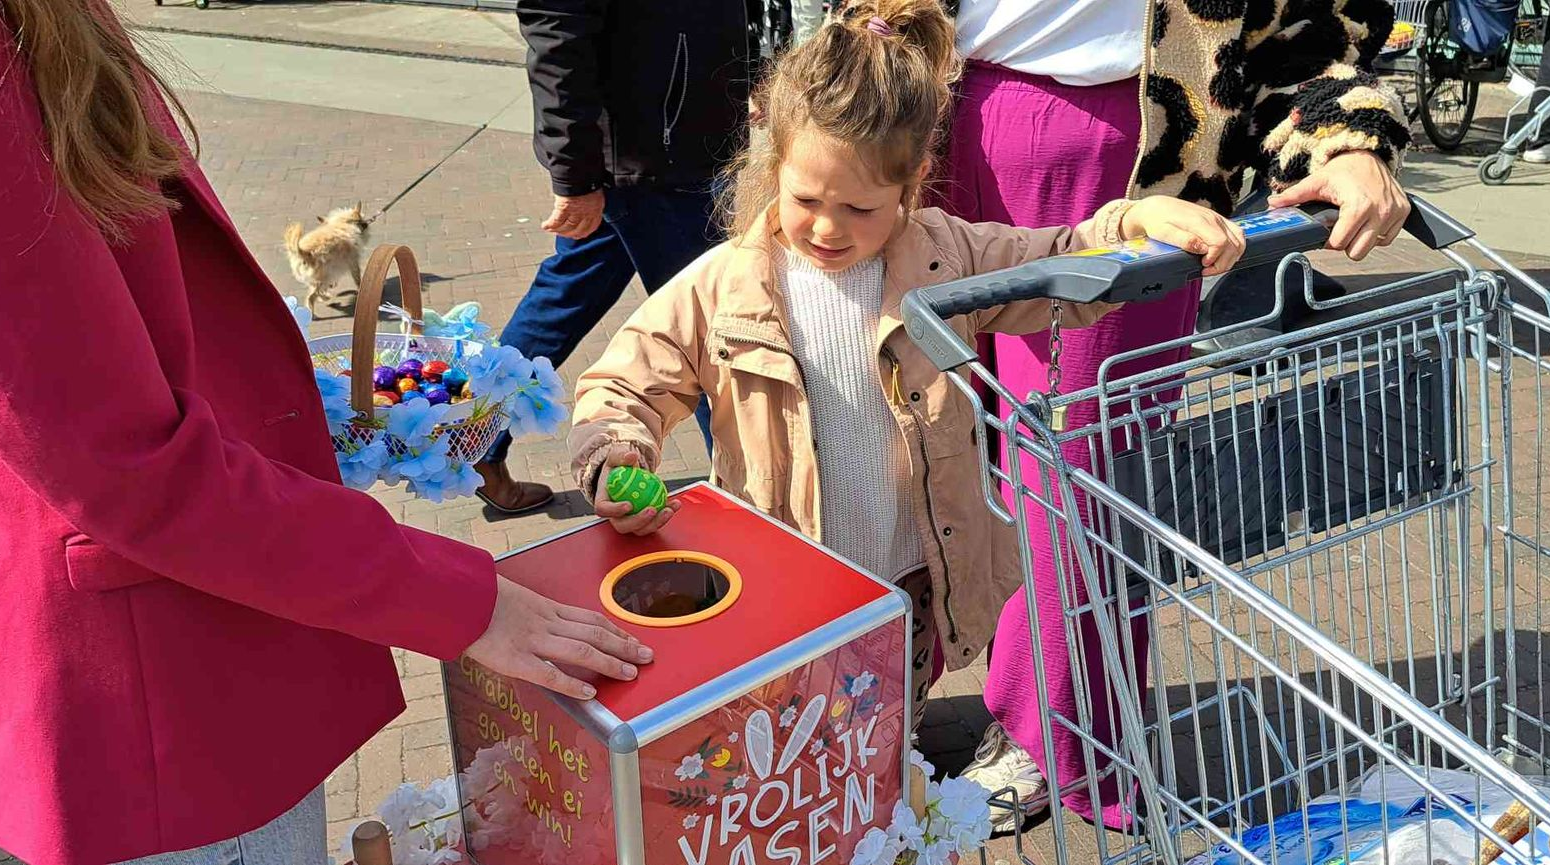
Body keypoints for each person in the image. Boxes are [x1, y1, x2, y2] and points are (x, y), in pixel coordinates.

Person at [0, 3, 653, 864]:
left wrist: (307, 409)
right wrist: (458, 598)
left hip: (193, 637)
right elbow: (124, 458)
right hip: (167, 717)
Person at [563, 0, 1248, 736]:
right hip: (786, 583)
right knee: (789, 745)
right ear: (773, 160)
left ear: (914, 179)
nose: (828, 227)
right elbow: (626, 380)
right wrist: (614, 449)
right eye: (806, 199)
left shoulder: (945, 255)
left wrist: (1133, 223)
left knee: (885, 739)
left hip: (907, 586)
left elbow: (1056, 260)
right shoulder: (725, 283)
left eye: (860, 207)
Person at [937, 0, 1413, 833]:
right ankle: (874, 693)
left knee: (1078, 475)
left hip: (1133, 167)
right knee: (922, 439)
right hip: (923, 130)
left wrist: (1348, 142)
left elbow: (1301, 37)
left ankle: (1057, 734)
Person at [474, 0, 752, 515]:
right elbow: (556, 30)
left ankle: (477, 441)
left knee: (566, 297)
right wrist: (574, 177)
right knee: (717, 332)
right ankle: (747, 501)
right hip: (649, 158)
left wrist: (746, 78)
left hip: (674, 142)